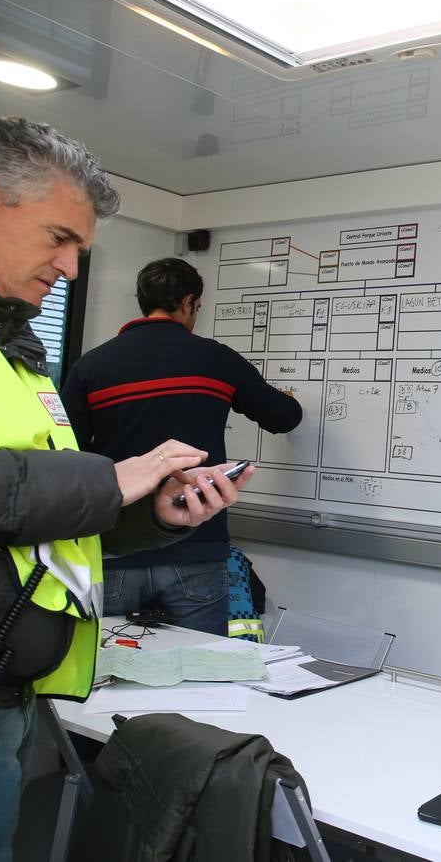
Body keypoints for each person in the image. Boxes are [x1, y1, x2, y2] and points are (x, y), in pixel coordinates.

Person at [0, 117, 252, 862]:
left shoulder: (8, 339)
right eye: (59, 239)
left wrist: (153, 515)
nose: (68, 268)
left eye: (79, 251)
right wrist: (106, 477)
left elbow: (39, 516)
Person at [62, 257, 301, 635]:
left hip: (115, 550)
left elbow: (66, 454)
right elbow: (285, 417)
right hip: (197, 547)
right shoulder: (215, 359)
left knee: (107, 672)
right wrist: (286, 396)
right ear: (188, 302)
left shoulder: (91, 366)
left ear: (143, 301)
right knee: (200, 676)